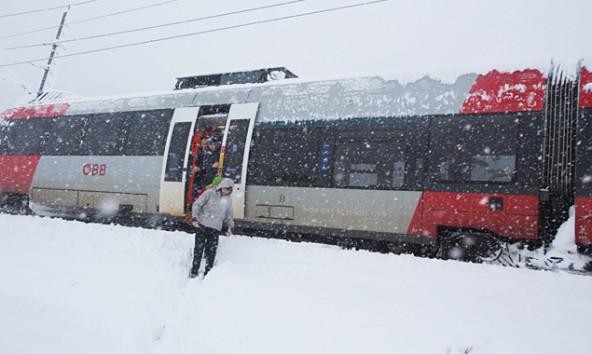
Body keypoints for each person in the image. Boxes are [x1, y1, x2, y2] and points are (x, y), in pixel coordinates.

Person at [190, 177, 234, 278]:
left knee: (211, 251)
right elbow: (197, 204)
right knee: (198, 249)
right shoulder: (209, 193)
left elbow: (229, 214)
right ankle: (194, 270)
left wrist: (230, 227)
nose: (227, 190)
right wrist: (194, 218)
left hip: (215, 228)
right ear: (221, 186)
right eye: (226, 188)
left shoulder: (228, 200)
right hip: (203, 224)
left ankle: (208, 272)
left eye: (229, 189)